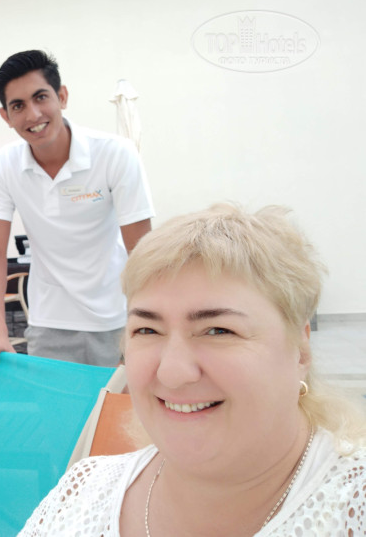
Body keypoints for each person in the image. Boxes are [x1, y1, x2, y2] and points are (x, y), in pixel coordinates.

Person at [19, 203, 366, 536]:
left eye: (218, 330)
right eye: (148, 330)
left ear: (300, 351)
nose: (172, 373)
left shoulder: (353, 507)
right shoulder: (81, 494)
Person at [0, 50, 155, 390]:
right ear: (5, 116)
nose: (33, 114)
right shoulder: (3, 165)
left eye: (41, 97)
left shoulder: (115, 153)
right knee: (56, 418)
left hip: (117, 320)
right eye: (18, 106)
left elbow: (142, 252)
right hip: (49, 323)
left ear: (62, 97)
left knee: (124, 418)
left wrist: (144, 329)